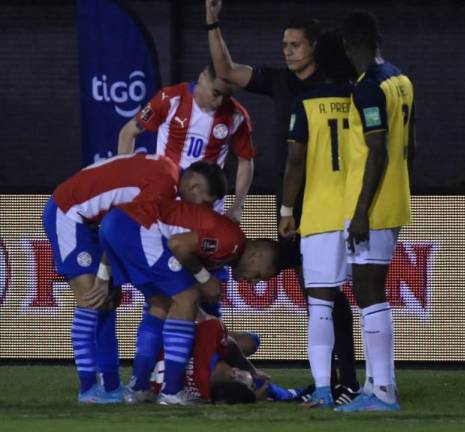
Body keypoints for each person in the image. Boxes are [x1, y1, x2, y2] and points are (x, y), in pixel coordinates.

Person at [205, 0, 360, 404]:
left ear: (314, 47)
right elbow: (225, 70)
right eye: (284, 44)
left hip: (325, 203)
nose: (287, 50)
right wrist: (212, 23)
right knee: (316, 293)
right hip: (291, 202)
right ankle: (330, 382)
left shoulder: (336, 86)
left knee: (326, 293)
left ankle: (345, 383)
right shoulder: (282, 81)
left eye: (295, 44)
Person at [42, 153, 221, 404]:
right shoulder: (163, 187)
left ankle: (112, 386)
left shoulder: (169, 169)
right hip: (69, 214)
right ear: (194, 187)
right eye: (204, 202)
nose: (203, 210)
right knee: (91, 299)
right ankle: (87, 389)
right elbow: (113, 227)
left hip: (90, 219)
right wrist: (104, 276)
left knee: (106, 304)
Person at [98, 196, 280, 405]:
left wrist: (104, 275)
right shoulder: (232, 243)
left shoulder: (226, 250)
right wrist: (204, 278)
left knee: (160, 303)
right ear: (256, 256)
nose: (254, 282)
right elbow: (178, 244)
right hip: (137, 226)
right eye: (259, 275)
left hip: (117, 223)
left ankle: (139, 388)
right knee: (188, 297)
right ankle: (172, 391)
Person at [334, 11, 415, 413]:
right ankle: (373, 384)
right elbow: (407, 147)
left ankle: (383, 391)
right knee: (367, 291)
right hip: (393, 197)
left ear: (351, 44)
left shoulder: (367, 89)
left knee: (368, 292)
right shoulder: (400, 78)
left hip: (372, 203)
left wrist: (362, 210)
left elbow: (377, 149)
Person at [278, 30, 358, 408]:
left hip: (322, 211)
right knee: (373, 301)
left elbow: (296, 163)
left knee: (321, 302)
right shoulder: (362, 95)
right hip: (361, 211)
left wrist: (287, 210)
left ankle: (325, 389)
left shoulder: (305, 102)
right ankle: (371, 387)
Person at [117, 64, 255, 221]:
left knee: (215, 243)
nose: (220, 102)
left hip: (207, 202)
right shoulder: (169, 99)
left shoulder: (237, 116)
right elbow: (127, 133)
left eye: (227, 96)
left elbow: (245, 161)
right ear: (202, 78)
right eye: (216, 93)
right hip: (166, 195)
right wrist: (126, 186)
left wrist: (238, 205)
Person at [139, 309, 302, 404]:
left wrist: (251, 371)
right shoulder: (203, 395)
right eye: (253, 384)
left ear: (235, 372)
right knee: (252, 342)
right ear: (234, 372)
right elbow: (256, 389)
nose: (255, 381)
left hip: (159, 333)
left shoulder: (208, 345)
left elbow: (190, 310)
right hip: (152, 371)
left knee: (251, 341)